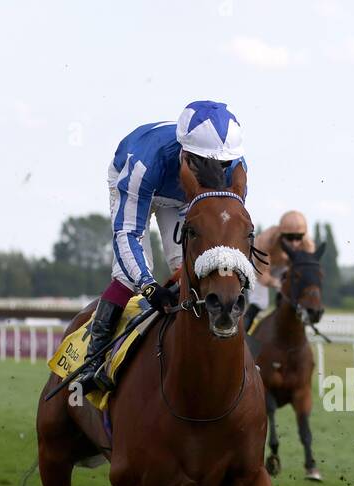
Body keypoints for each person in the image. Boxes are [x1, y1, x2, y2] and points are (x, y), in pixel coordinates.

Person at [79, 100, 246, 392]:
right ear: (185, 154)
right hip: (140, 184)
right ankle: (94, 358)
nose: (213, 173)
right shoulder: (146, 163)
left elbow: (227, 233)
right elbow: (127, 234)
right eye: (202, 163)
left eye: (222, 166)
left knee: (186, 270)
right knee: (127, 276)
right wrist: (148, 285)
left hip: (183, 198)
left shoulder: (237, 167)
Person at [247, 210, 314, 329]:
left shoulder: (308, 246)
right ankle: (243, 335)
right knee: (260, 302)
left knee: (289, 297)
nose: (294, 243)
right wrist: (276, 283)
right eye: (290, 237)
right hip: (259, 265)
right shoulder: (267, 240)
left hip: (283, 266)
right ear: (281, 234)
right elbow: (262, 274)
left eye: (298, 237)